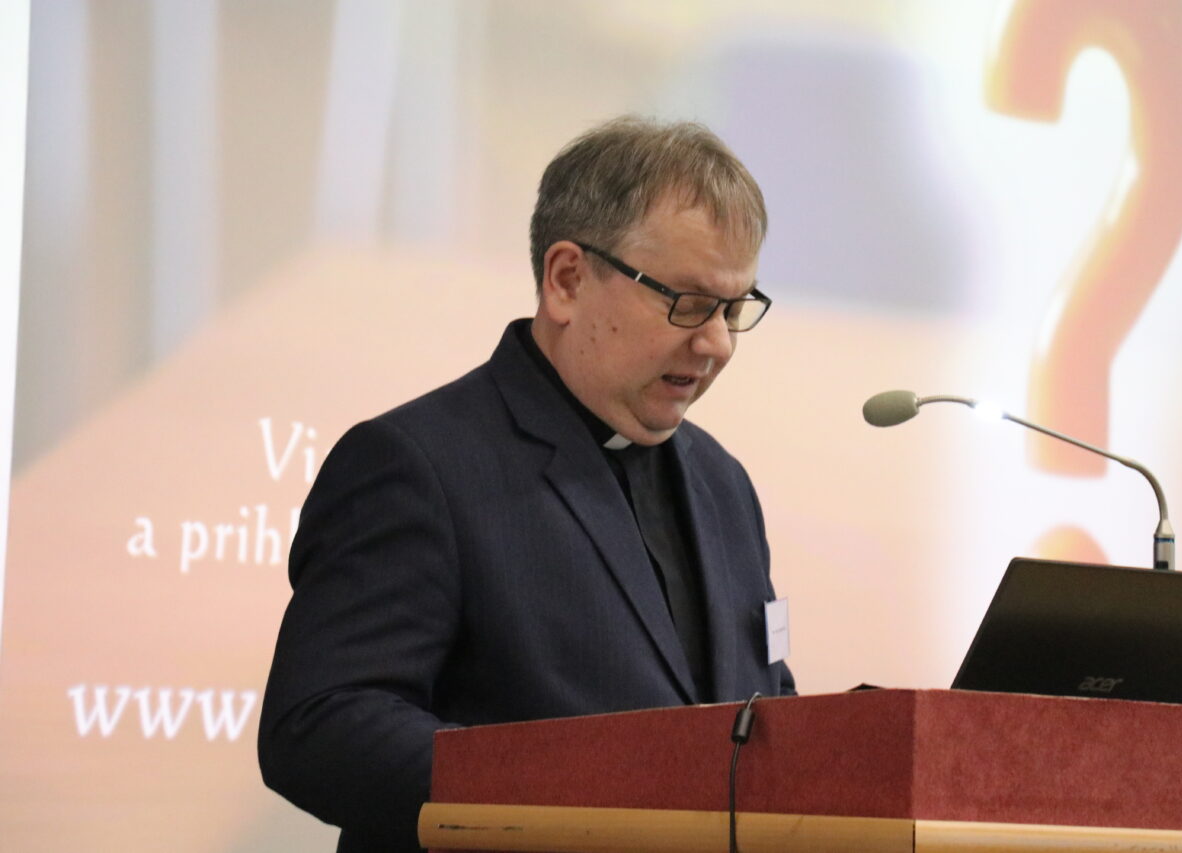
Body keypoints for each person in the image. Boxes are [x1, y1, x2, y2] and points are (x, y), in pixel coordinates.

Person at [258, 116, 795, 852]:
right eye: (689, 303)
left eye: (734, 309)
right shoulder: (417, 464)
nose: (717, 343)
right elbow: (319, 725)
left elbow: (760, 712)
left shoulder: (723, 484)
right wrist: (576, 793)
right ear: (567, 279)